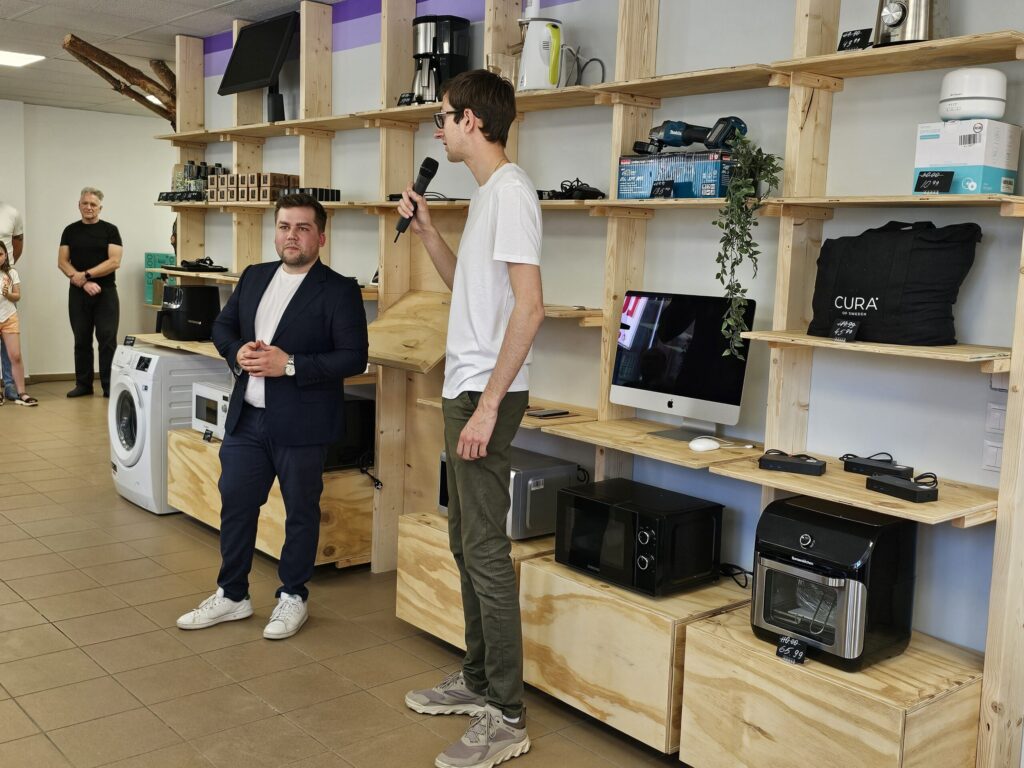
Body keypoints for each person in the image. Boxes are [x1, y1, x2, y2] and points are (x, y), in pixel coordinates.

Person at [398, 70, 545, 768]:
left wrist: (487, 406)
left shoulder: (512, 193)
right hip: (468, 388)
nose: (438, 129)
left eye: (443, 117)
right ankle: (480, 680)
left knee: (485, 550)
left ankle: (508, 716)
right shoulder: (489, 195)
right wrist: (430, 233)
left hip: (487, 394)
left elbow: (530, 308)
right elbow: (473, 293)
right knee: (464, 540)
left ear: (472, 121)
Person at [176, 193, 368, 641]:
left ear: (321, 237)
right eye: (284, 226)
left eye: (302, 228)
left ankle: (293, 596)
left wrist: (291, 364)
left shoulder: (338, 289)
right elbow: (223, 327)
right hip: (248, 418)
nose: (291, 236)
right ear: (275, 232)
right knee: (236, 505)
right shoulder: (255, 276)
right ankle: (232, 595)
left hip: (303, 423)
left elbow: (353, 357)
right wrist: (236, 351)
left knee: (300, 511)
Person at [57, 187, 122, 398]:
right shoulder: (70, 231)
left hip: (106, 293)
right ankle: (83, 385)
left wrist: (86, 275)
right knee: (81, 339)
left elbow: (114, 261)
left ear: (100, 208)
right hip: (78, 294)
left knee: (107, 339)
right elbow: (62, 262)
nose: (89, 207)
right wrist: (83, 283)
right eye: (85, 203)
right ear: (79, 205)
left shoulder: (110, 230)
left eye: (93, 204)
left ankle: (109, 386)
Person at [0, 241, 35, 406]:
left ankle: (22, 393)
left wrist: (8, 295)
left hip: (9, 317)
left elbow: (17, 296)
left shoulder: (12, 272)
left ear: (5, 255)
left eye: (0, 254)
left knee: (15, 355)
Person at [0, 200, 24, 402]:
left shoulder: (11, 212)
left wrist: (6, 269)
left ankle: (9, 385)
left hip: (5, 284)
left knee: (9, 343)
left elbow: (17, 246)